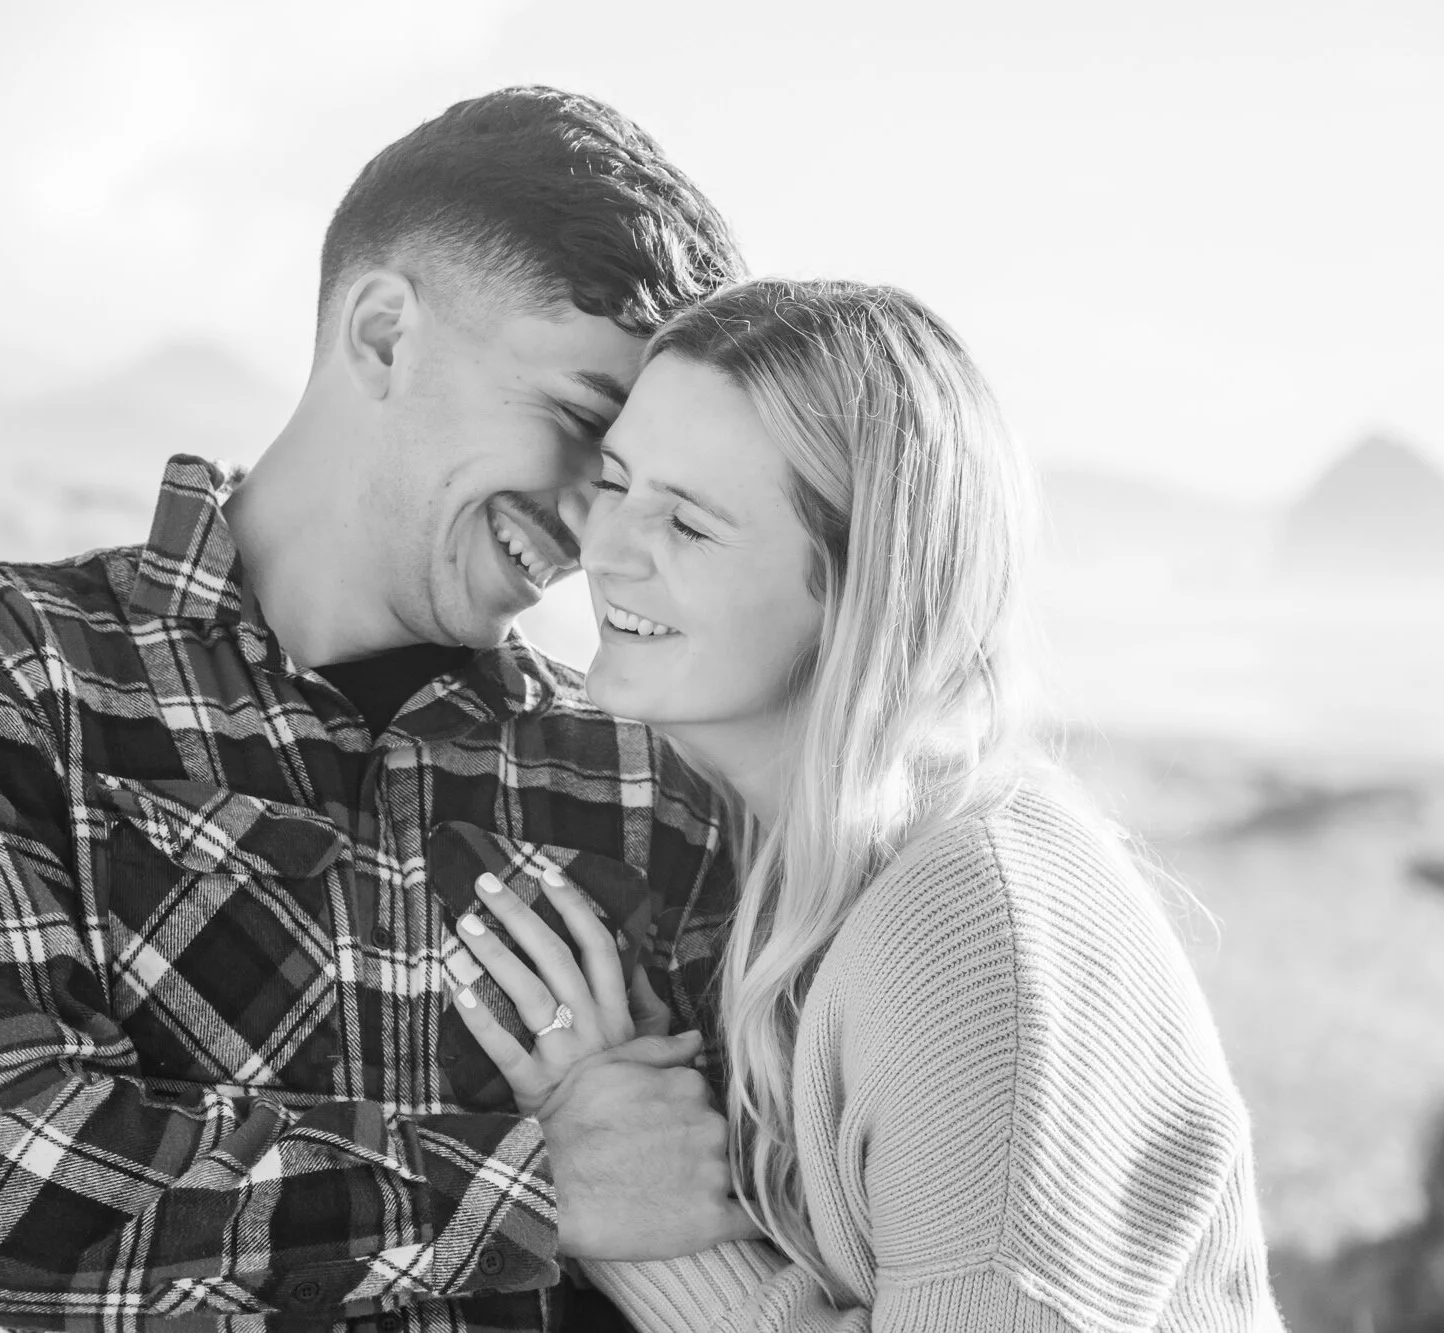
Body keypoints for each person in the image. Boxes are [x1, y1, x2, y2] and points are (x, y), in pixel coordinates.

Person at [0, 87, 753, 1332]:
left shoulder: (655, 780)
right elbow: (4, 1198)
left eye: (633, 472)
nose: (599, 523)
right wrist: (543, 1184)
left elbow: (746, 1204)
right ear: (382, 335)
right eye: (582, 423)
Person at [447, 279, 1285, 1331]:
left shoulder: (969, 930)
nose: (604, 548)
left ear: (858, 591)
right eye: (615, 481)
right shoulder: (806, 866)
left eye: (689, 524)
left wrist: (661, 1232)